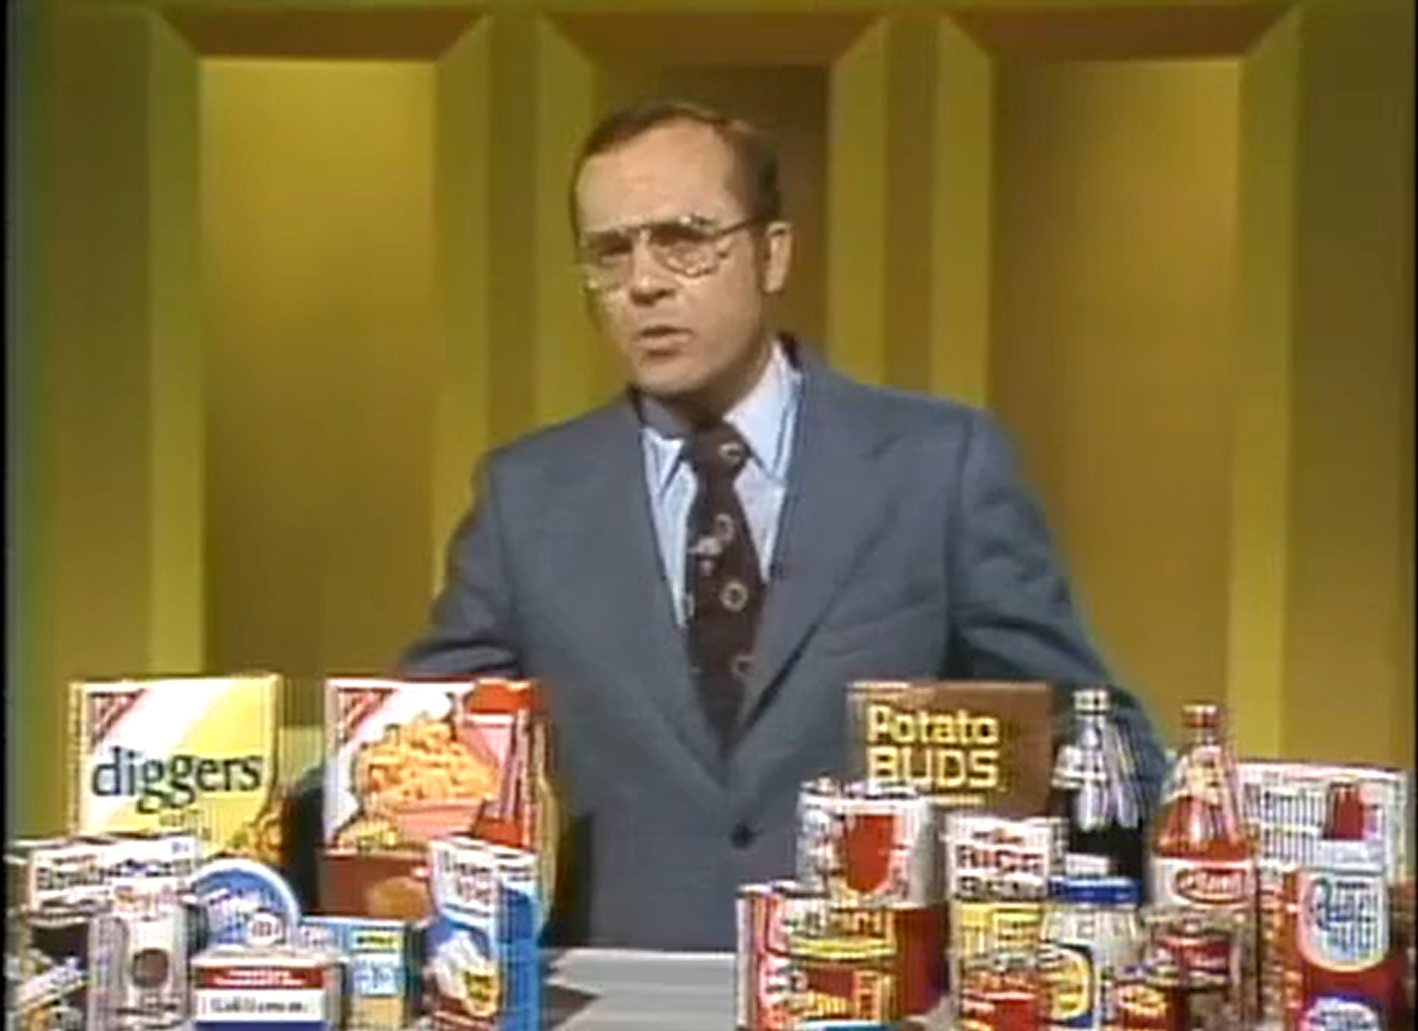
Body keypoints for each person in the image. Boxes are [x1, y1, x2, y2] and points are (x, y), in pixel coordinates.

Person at [399, 98, 1167, 950]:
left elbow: (1093, 735)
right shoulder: (526, 496)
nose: (645, 282)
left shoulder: (938, 465)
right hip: (621, 988)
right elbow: (416, 743)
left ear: (771, 253)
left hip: (875, 987)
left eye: (684, 239)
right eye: (610, 253)